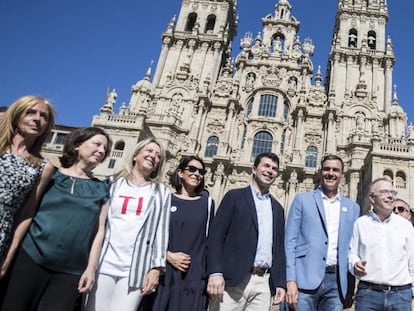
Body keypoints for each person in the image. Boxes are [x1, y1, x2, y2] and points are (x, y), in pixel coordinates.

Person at [1, 127, 112, 311]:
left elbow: (99, 231)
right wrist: (10, 253)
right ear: (77, 145)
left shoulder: (102, 188)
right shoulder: (51, 174)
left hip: (70, 272)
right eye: (97, 144)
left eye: (105, 149)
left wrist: (91, 268)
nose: (101, 151)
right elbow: (27, 213)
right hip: (30, 257)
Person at [85, 137, 171, 311]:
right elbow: (97, 225)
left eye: (158, 155)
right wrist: (89, 264)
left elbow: (161, 233)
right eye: (149, 151)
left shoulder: (161, 192)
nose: (153, 156)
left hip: (135, 268)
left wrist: (156, 269)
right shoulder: (111, 183)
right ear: (135, 155)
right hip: (103, 264)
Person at [207, 152, 286, 311]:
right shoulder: (234, 197)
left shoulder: (277, 208)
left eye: (274, 168)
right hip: (232, 280)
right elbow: (216, 236)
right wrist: (215, 272)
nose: (270, 171)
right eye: (266, 166)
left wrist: (280, 283)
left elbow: (278, 248)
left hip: (263, 282)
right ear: (254, 169)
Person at [284, 154, 360, 310]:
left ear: (341, 175)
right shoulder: (302, 200)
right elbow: (289, 242)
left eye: (335, 170)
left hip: (337, 284)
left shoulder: (353, 208)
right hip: (304, 280)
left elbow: (352, 249)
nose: (330, 173)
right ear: (320, 172)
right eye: (327, 169)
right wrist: (290, 280)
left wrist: (350, 288)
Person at [0, 95, 55, 273]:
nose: (37, 119)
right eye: (30, 112)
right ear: (16, 115)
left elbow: (27, 212)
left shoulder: (43, 166)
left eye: (44, 116)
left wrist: (10, 253)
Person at [349, 177, 414, 311]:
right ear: (372, 198)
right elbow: (352, 253)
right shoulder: (360, 224)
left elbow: (412, 261)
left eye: (392, 192)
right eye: (385, 192)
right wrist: (354, 265)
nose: (391, 196)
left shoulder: (405, 226)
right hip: (368, 295)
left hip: (401, 296)